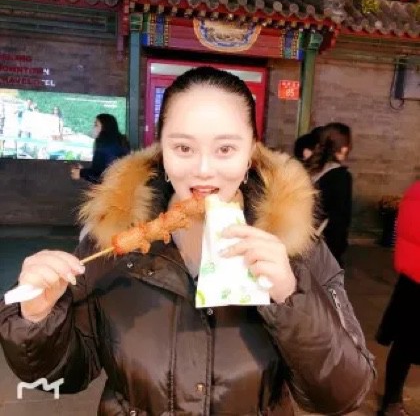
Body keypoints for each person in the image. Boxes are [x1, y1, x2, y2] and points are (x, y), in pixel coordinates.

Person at [0, 67, 374, 415]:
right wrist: (37, 319)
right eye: (183, 148)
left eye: (225, 149)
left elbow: (344, 394)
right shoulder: (111, 239)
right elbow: (65, 375)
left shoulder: (296, 247)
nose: (204, 170)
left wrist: (292, 297)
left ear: (250, 153)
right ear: (162, 150)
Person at [376, 181, 420, 416]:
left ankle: (392, 401)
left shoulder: (415, 190)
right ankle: (392, 401)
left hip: (411, 280)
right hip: (416, 282)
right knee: (405, 344)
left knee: (403, 344)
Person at [305, 122, 353, 267]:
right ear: (343, 148)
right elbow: (339, 220)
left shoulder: (308, 169)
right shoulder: (340, 177)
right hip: (323, 249)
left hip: (300, 242)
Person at [71, 113, 130, 184]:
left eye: (96, 125)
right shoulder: (121, 143)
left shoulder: (103, 146)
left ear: (105, 127)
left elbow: (99, 176)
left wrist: (81, 173)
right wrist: (83, 172)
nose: (93, 128)